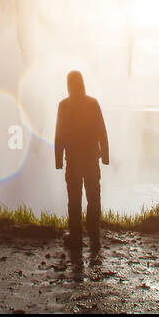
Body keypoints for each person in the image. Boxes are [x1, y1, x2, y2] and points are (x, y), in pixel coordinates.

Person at [54, 70, 109, 251]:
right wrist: (105, 155)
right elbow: (102, 130)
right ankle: (94, 233)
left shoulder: (64, 105)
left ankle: (76, 235)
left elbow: (59, 135)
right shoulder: (92, 103)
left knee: (75, 198)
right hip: (91, 159)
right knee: (93, 197)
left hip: (74, 160)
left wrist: (58, 161)